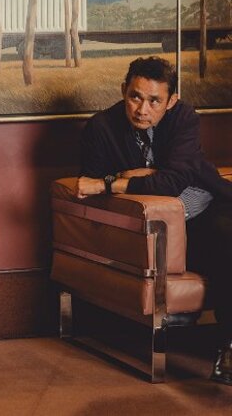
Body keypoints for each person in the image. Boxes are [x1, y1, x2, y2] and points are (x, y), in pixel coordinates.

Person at [75, 56, 232, 385]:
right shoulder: (100, 129)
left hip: (209, 205)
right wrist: (147, 177)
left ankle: (227, 350)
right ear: (123, 91)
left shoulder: (184, 117)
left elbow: (175, 183)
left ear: (171, 101)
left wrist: (124, 178)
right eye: (135, 96)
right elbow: (94, 189)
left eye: (154, 101)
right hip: (159, 227)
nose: (142, 109)